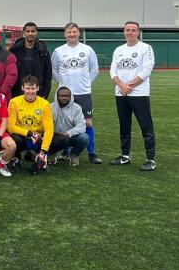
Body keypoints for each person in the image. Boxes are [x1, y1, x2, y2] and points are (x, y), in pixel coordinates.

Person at [51, 23, 102, 164]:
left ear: (78, 33)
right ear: (65, 34)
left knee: (87, 123)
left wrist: (86, 84)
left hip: (83, 93)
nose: (72, 34)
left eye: (74, 32)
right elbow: (54, 71)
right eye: (69, 32)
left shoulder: (87, 49)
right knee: (64, 123)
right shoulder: (58, 51)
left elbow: (94, 70)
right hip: (64, 94)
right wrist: (63, 85)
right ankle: (65, 152)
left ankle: (91, 153)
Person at [109, 21, 156, 171]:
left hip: (139, 94)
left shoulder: (145, 48)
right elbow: (113, 71)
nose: (130, 33)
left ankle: (150, 159)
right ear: (124, 32)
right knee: (124, 126)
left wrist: (129, 86)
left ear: (138, 32)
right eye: (127, 30)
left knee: (146, 126)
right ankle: (125, 156)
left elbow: (146, 70)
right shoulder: (118, 50)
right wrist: (121, 86)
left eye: (133, 30)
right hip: (121, 93)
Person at [7, 75, 53, 174]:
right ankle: (16, 157)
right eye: (28, 88)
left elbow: (49, 129)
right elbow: (10, 127)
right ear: (22, 88)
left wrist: (43, 151)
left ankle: (41, 156)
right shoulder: (14, 102)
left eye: (33, 88)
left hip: (39, 139)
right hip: (23, 137)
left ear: (38, 88)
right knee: (13, 137)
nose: (30, 91)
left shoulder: (45, 104)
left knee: (60, 140)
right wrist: (29, 133)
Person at [49, 86, 89, 167]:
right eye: (61, 96)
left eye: (67, 96)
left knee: (84, 138)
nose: (64, 98)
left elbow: (82, 126)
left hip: (70, 137)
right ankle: (54, 152)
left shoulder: (76, 108)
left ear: (71, 97)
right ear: (57, 96)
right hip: (55, 137)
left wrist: (67, 133)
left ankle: (74, 154)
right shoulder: (50, 107)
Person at [10, 22, 52, 98]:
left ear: (36, 33)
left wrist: (45, 93)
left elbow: (48, 74)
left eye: (33, 31)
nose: (30, 34)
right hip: (18, 92)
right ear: (23, 33)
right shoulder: (14, 50)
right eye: (28, 31)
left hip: (37, 92)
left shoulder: (43, 52)